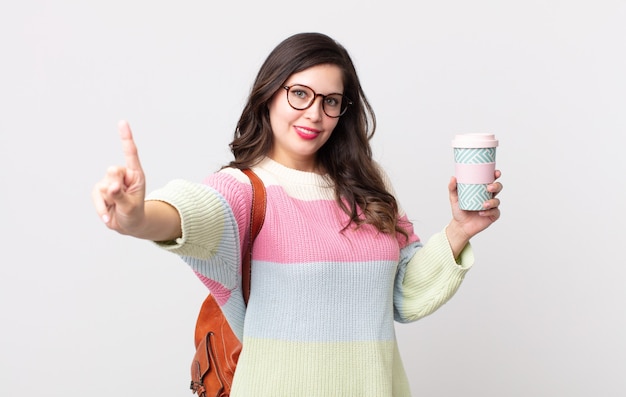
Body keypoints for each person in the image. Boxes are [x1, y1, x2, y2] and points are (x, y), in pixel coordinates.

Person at [92, 32, 502, 397]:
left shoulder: (367, 188)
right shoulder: (243, 189)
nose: (314, 114)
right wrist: (138, 218)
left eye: (331, 101)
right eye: (300, 94)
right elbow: (190, 212)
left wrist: (459, 230)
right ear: (269, 94)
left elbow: (402, 295)